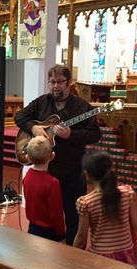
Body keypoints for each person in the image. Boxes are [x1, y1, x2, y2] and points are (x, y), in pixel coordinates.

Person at [15, 65, 101, 245]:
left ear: (69, 82)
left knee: (74, 217)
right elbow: (20, 117)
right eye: (52, 82)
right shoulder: (41, 102)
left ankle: (72, 255)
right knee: (43, 217)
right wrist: (33, 127)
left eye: (60, 82)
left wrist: (72, 135)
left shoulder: (83, 107)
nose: (55, 86)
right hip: (46, 171)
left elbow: (95, 134)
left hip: (72, 170)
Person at [73, 151, 137, 265]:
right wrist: (135, 249)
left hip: (101, 257)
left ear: (87, 174)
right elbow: (135, 226)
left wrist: (72, 254)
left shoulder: (86, 202)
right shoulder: (127, 193)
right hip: (126, 253)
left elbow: (81, 236)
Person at [23, 136, 66, 242]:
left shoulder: (27, 176)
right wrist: (61, 234)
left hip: (32, 228)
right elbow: (56, 213)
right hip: (49, 232)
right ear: (52, 156)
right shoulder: (52, 183)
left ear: (28, 157)